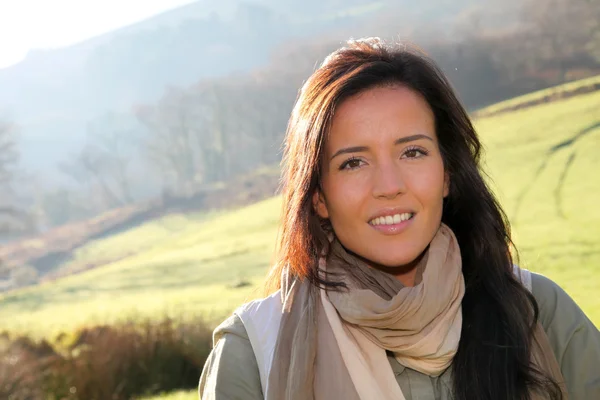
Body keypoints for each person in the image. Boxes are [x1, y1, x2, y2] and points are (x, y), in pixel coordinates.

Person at [198, 38, 600, 400]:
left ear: (447, 173)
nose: (389, 186)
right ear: (318, 196)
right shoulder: (252, 353)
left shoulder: (539, 312)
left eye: (412, 152)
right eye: (353, 162)